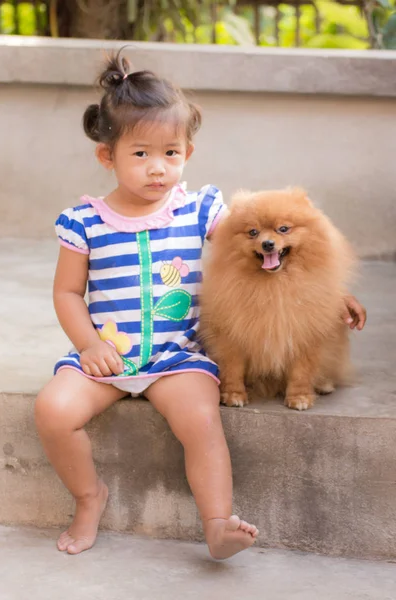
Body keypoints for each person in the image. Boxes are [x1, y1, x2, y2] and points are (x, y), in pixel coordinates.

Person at [34, 49, 367, 560]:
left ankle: (217, 522)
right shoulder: (83, 222)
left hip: (177, 356)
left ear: (188, 152)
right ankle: (88, 497)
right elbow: (66, 293)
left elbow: (261, 247)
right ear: (108, 156)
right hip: (108, 354)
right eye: (141, 154)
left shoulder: (202, 208)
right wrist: (87, 343)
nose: (158, 168)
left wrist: (331, 294)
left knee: (201, 420)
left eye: (172, 153)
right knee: (53, 411)